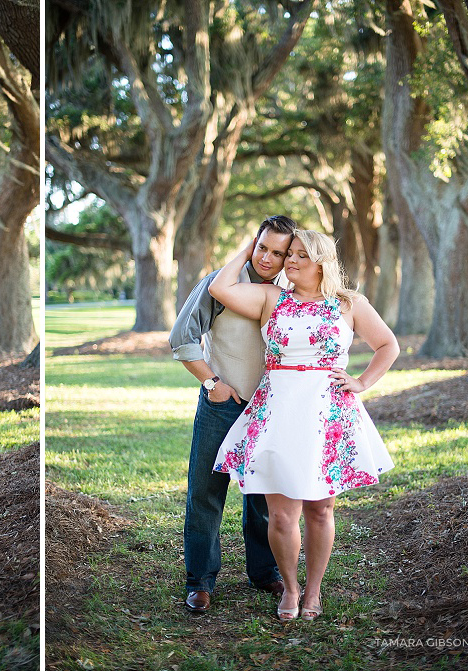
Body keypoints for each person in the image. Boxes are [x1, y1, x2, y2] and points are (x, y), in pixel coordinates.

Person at [209, 228, 398, 621]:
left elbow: (387, 345)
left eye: (299, 255)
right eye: (287, 254)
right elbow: (220, 287)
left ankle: (313, 592)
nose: (288, 261)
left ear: (322, 262)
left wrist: (361, 382)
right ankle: (290, 589)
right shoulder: (271, 298)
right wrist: (250, 248)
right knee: (281, 514)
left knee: (321, 509)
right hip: (278, 409)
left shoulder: (349, 303)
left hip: (327, 414)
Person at [169, 215, 297, 613]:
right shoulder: (219, 283)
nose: (268, 258)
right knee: (205, 494)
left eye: (279, 252)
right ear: (251, 244)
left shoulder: (293, 292)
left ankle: (264, 573)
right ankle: (200, 582)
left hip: (269, 412)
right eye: (262, 247)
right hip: (222, 405)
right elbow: (181, 338)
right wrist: (213, 384)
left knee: (262, 497)